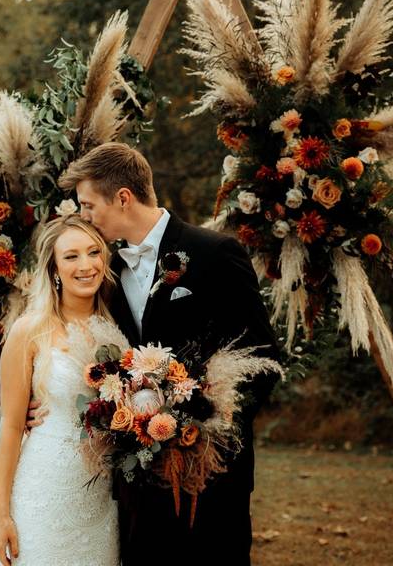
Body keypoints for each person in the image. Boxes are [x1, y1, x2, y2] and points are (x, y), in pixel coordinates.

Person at [52, 141, 281, 564]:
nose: (84, 216)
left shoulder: (214, 253)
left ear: (122, 198)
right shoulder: (106, 271)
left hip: (212, 474)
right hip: (136, 478)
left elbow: (262, 359)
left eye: (87, 205)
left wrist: (201, 428)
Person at [0, 215, 124, 566]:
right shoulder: (29, 331)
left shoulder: (116, 326)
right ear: (53, 268)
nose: (86, 265)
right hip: (45, 488)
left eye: (93, 253)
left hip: (103, 497)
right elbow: (9, 425)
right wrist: (2, 515)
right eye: (71, 256)